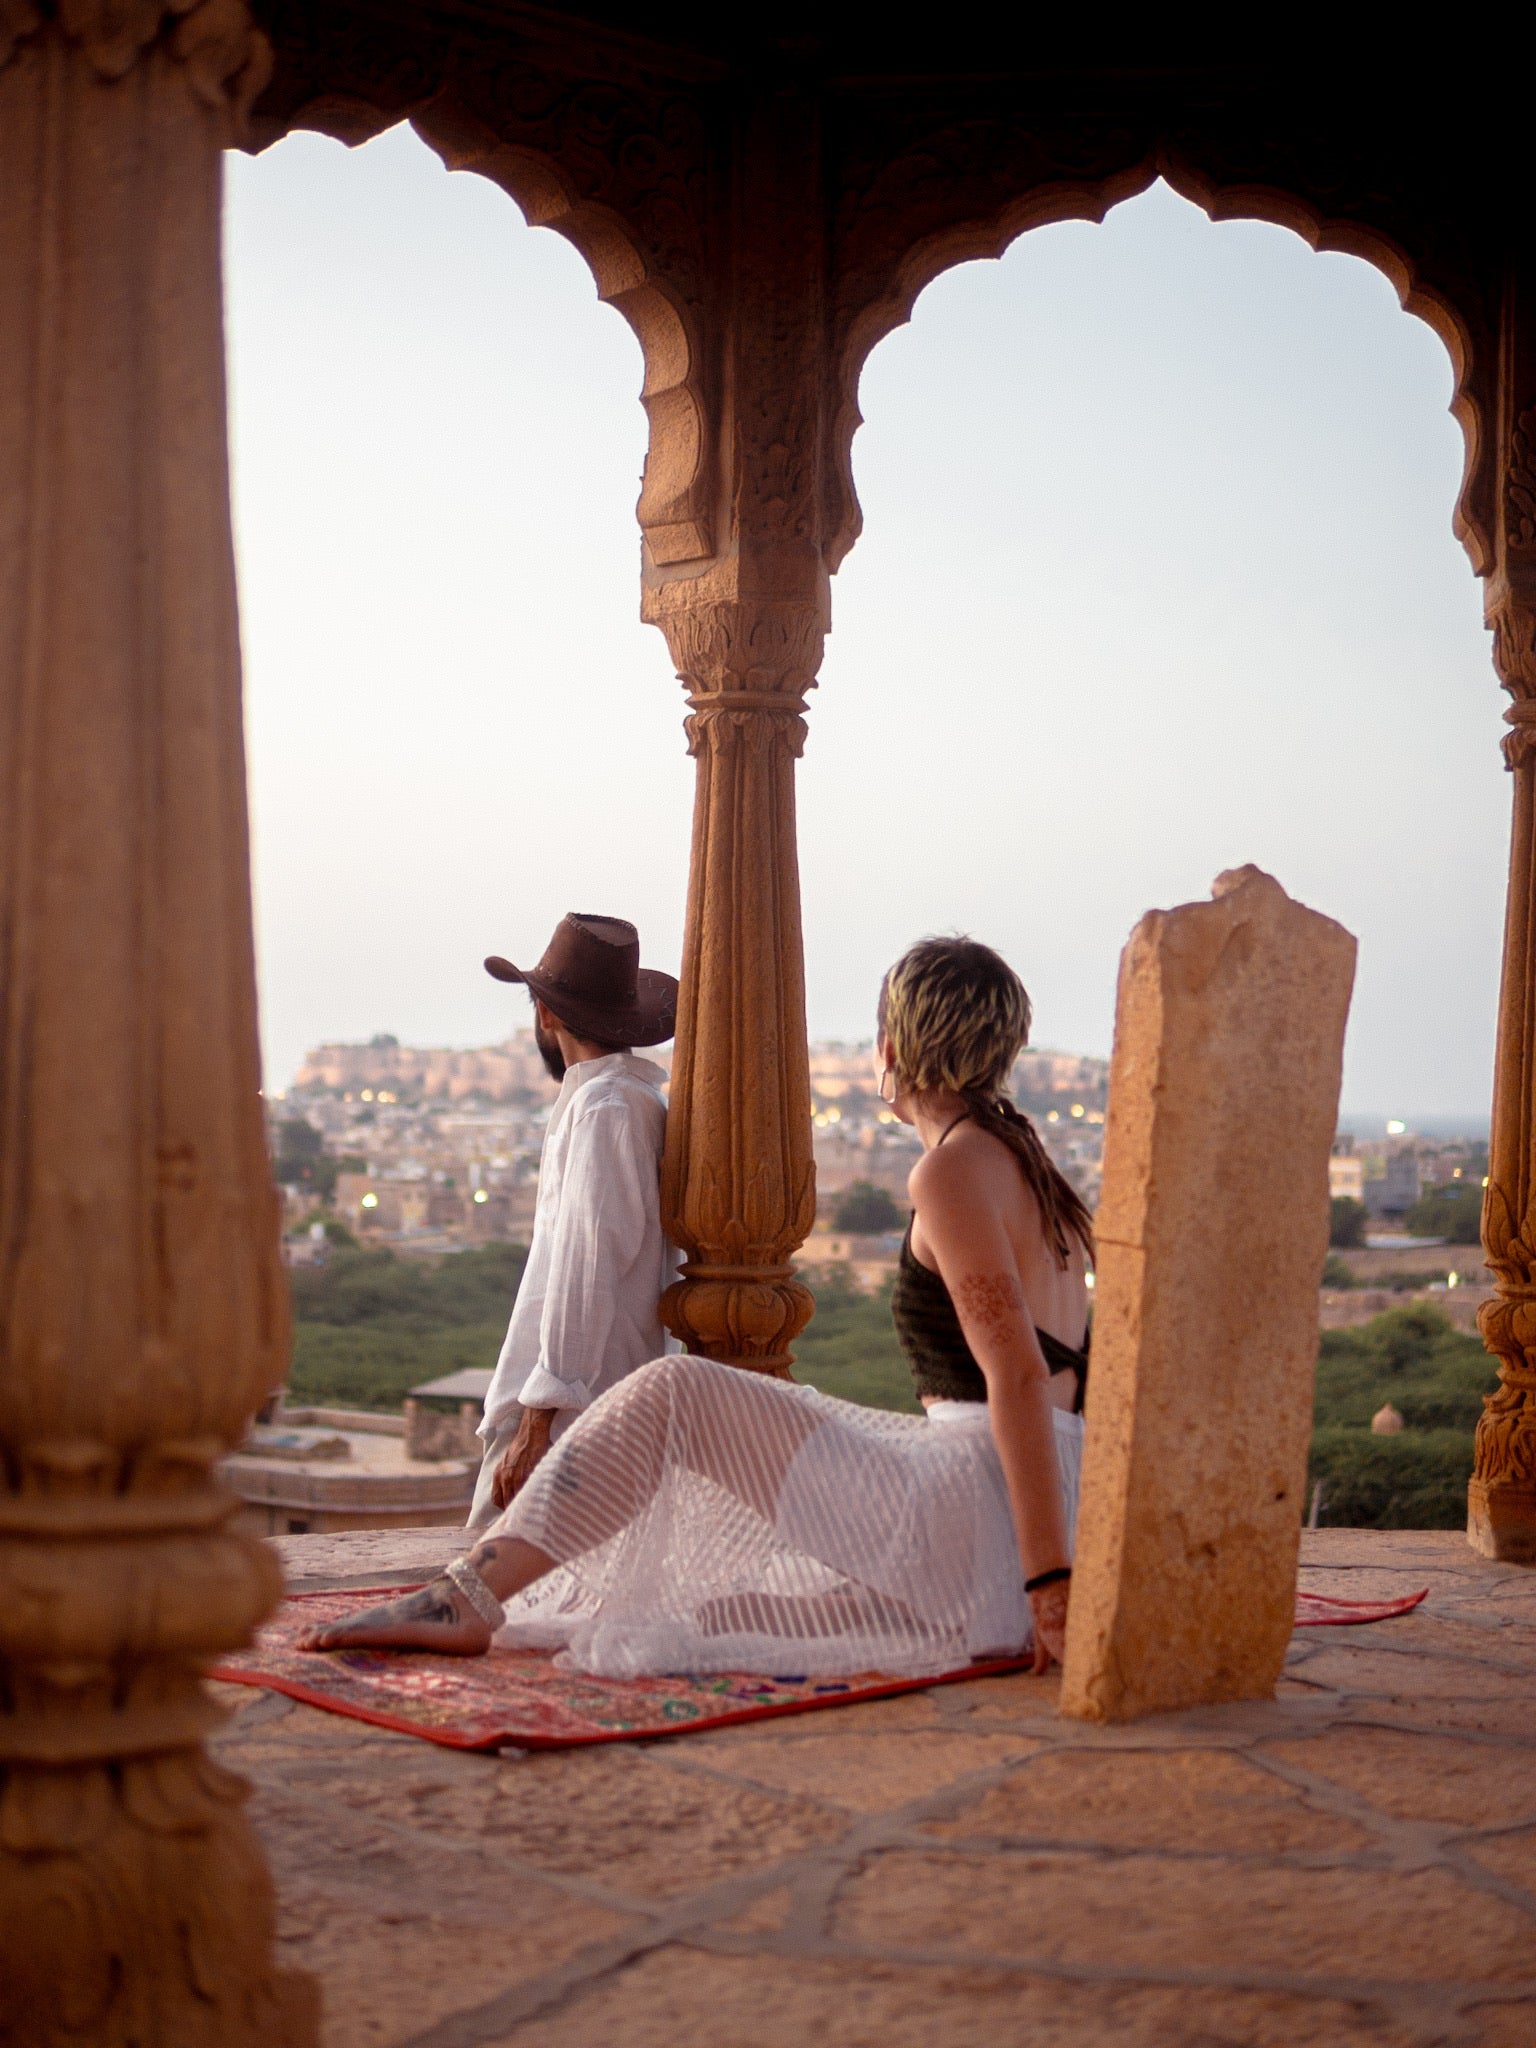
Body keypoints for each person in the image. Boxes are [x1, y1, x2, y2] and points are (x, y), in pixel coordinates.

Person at [302, 936, 1093, 1677]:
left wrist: (1047, 1580)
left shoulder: (952, 1172)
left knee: (673, 1392)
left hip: (976, 1503)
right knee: (719, 1614)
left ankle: (463, 1599)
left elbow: (1016, 1376)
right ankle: (476, 1595)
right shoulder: (1030, 1161)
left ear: (896, 1044)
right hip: (1039, 1498)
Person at [465, 913, 681, 1528]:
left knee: (493, 1593)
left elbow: (587, 1272)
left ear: (547, 1014)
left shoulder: (606, 1109)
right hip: (600, 1402)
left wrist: (541, 1417)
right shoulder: (626, 1102)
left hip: (573, 1414)